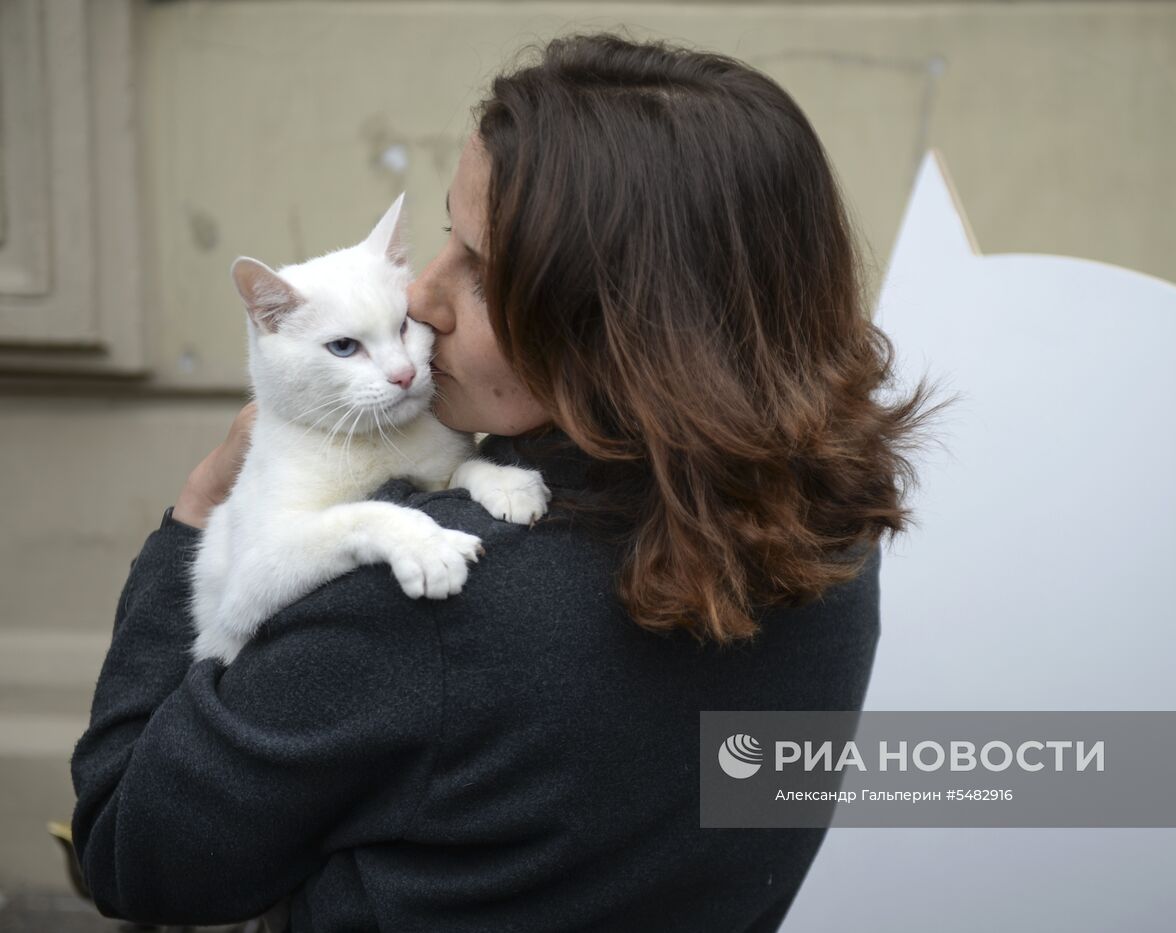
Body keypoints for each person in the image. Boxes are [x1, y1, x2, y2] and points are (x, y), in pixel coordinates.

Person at [71, 32, 940, 932]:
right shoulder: (827, 528)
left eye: (483, 274)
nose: (421, 298)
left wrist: (198, 508)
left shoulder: (425, 597)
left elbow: (131, 853)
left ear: (625, 329)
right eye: (446, 238)